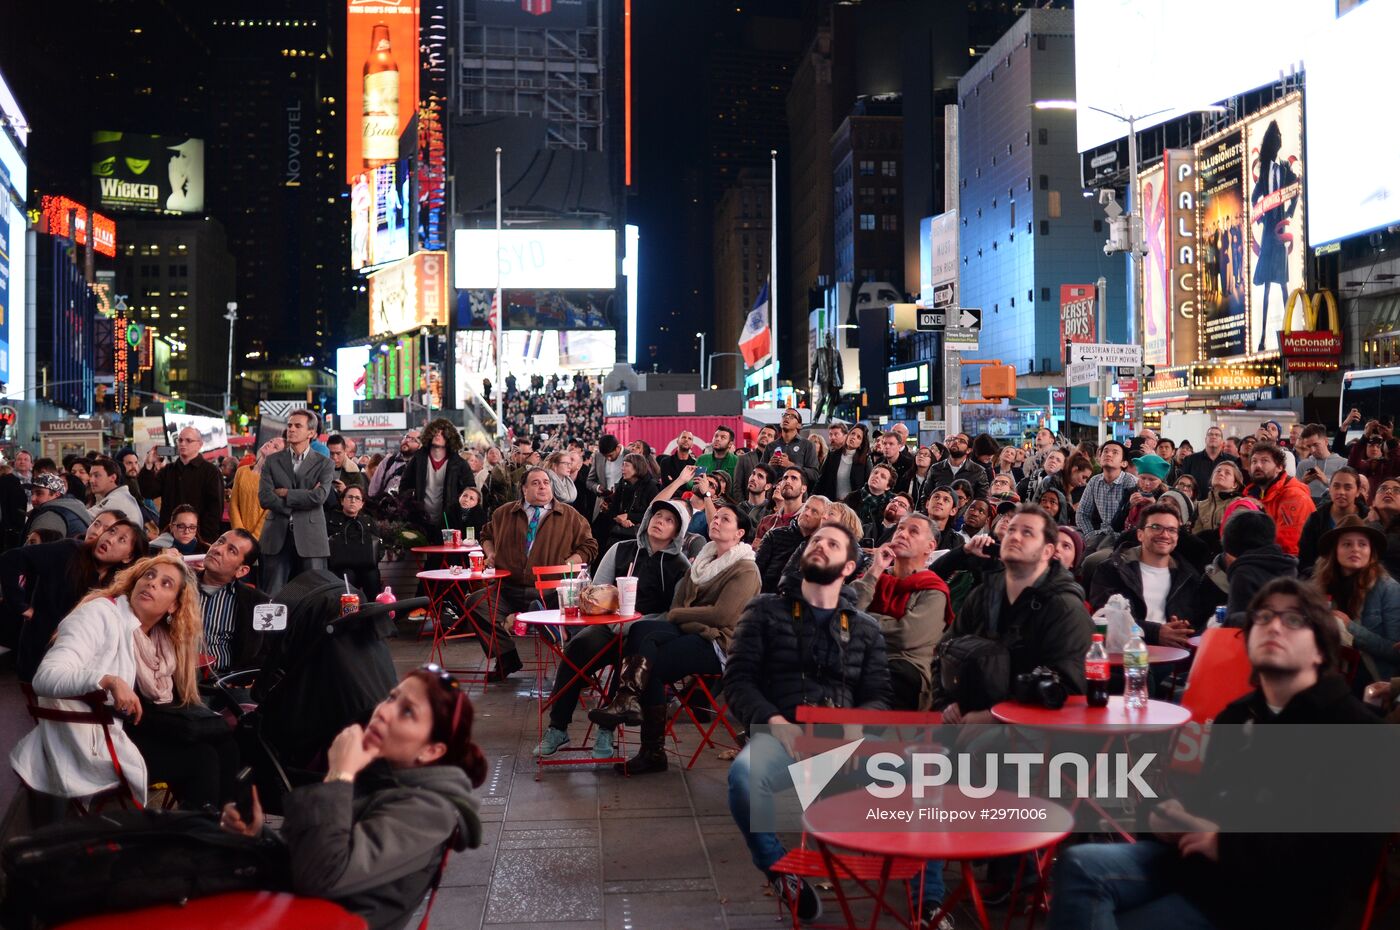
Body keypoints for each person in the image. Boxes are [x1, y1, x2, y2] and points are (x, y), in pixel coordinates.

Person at [1048, 578, 1381, 930]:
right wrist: (1162, 819)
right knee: (1079, 864)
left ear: (1320, 649)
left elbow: (1348, 861)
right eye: (1263, 618)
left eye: (1294, 620)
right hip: (1199, 867)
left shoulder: (1358, 730)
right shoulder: (1238, 715)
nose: (1274, 626)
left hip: (1275, 899)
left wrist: (1230, 846)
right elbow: (1202, 800)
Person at [220, 665, 486, 930]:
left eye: (407, 712)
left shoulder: (429, 812)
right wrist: (259, 835)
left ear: (431, 751)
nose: (383, 711)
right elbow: (312, 855)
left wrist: (340, 774)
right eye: (392, 697)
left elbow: (320, 874)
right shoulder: (381, 775)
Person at [723, 522, 891, 921]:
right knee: (743, 779)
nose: (819, 546)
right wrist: (773, 720)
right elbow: (738, 680)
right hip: (784, 736)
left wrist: (860, 722)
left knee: (929, 776)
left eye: (832, 544)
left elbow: (881, 696)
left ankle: (930, 902)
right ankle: (782, 872)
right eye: (815, 540)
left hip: (847, 744)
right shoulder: (764, 609)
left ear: (849, 566)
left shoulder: (866, 628)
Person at [12, 553, 235, 813]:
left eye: (166, 583)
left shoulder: (160, 639)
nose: (152, 583)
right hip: (92, 737)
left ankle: (221, 831)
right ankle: (195, 842)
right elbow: (45, 677)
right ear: (135, 581)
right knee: (202, 758)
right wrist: (107, 680)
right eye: (149, 575)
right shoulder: (99, 614)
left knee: (225, 744)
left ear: (174, 606)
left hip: (126, 725)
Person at [589, 501, 761, 774]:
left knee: (652, 664)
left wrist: (682, 616)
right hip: (694, 631)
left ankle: (644, 737)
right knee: (639, 629)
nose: (716, 521)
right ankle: (628, 704)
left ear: (739, 533)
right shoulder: (704, 559)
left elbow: (721, 615)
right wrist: (684, 615)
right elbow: (680, 602)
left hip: (719, 643)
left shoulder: (745, 569)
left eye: (725, 519)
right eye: (715, 517)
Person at [533, 501, 692, 761]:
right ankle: (557, 727)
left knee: (628, 661)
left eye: (669, 520)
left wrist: (634, 624)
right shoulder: (621, 550)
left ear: (677, 531)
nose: (659, 521)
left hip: (644, 630)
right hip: (608, 624)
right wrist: (613, 618)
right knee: (577, 648)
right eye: (657, 515)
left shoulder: (680, 565)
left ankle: (606, 728)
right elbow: (596, 592)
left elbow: (673, 612)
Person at [935, 505, 1093, 721]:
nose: (1015, 537)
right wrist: (947, 704)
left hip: (1030, 731)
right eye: (1011, 530)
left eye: (1027, 532)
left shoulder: (1065, 608)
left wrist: (992, 718)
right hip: (963, 714)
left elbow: (1069, 690)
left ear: (1047, 551)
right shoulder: (983, 594)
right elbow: (944, 652)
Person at [479, 468, 599, 681]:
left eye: (546, 482)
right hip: (508, 588)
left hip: (551, 593)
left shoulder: (570, 516)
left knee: (579, 617)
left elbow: (590, 546)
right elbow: (486, 535)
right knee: (476, 604)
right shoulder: (503, 513)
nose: (543, 486)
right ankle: (506, 657)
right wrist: (491, 553)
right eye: (535, 483)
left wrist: (567, 564)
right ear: (524, 489)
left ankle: (577, 670)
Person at [0, 518, 149, 680]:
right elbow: (11, 559)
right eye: (111, 531)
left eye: (122, 540)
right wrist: (20, 605)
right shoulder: (70, 551)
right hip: (39, 652)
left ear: (128, 557)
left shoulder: (118, 584)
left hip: (80, 662)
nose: (109, 539)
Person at [851, 513, 951, 710]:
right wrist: (875, 570)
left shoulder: (934, 590)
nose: (903, 534)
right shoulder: (873, 577)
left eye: (913, 532)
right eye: (900, 529)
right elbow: (844, 617)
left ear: (930, 547)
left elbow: (905, 635)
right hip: (859, 657)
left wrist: (861, 622)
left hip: (904, 669)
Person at [1089, 503, 1198, 648]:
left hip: (1175, 656)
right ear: (1140, 534)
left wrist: (1184, 626)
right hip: (1127, 655)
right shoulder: (1112, 570)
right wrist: (1155, 632)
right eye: (1156, 527)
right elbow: (1107, 618)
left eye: (1172, 530)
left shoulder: (1189, 576)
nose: (1164, 535)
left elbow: (1198, 622)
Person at [1312, 515, 1400, 682]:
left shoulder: (1389, 588)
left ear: (1370, 551)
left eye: (1362, 544)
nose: (1355, 549)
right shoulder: (1320, 585)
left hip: (1372, 679)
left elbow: (1395, 652)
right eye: (1347, 544)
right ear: (1335, 550)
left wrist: (1350, 628)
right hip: (1328, 673)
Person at [258, 410, 335, 595]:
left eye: (297, 426)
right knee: (271, 595)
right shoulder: (272, 461)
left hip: (311, 537)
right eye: (290, 425)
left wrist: (286, 493)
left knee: (315, 594)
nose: (291, 429)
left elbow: (319, 497)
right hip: (276, 535)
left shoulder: (325, 463)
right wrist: (304, 496)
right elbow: (265, 497)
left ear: (311, 433)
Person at [197, 528, 269, 675]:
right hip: (173, 678)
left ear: (242, 571)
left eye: (231, 550)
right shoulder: (178, 586)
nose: (217, 549)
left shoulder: (258, 603)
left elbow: (265, 654)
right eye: (220, 541)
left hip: (225, 682)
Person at [139, 427, 224, 543]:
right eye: (180, 440)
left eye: (188, 440)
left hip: (198, 538)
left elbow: (215, 510)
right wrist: (148, 465)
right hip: (168, 537)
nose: (183, 444)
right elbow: (148, 492)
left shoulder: (211, 471)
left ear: (199, 444)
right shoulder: (168, 470)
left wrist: (205, 540)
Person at [399, 419, 471, 535]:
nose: (438, 434)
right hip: (420, 522)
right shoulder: (418, 459)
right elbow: (404, 486)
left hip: (449, 523)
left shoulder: (460, 464)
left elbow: (470, 489)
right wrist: (410, 506)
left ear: (450, 438)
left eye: (443, 433)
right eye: (435, 432)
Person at [1245, 443, 1314, 557]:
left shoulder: (1294, 497)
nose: (1258, 465)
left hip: (1290, 565)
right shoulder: (1251, 495)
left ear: (1279, 467)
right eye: (1254, 461)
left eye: (1264, 461)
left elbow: (1288, 548)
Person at [1297, 466, 1366, 574]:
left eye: (1347, 488)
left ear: (1357, 491)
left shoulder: (1368, 519)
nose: (1341, 492)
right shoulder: (1316, 519)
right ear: (1330, 489)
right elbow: (1305, 561)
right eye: (1336, 486)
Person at [754, 495, 829, 594]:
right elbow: (756, 570)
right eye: (806, 508)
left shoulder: (822, 547)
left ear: (823, 519)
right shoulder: (774, 535)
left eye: (814, 512)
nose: (806, 513)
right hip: (766, 596)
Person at [1076, 440, 1137, 548]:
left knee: (1090, 562)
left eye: (1115, 452)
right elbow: (1082, 513)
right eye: (1105, 451)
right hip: (1101, 535)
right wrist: (1090, 535)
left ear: (1124, 463)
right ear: (1099, 458)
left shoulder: (1130, 481)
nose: (1108, 454)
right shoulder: (1094, 481)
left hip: (1124, 538)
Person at [327, 486, 383, 598]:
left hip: (366, 565)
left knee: (372, 575)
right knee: (347, 575)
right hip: (341, 566)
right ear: (342, 501)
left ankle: (373, 612)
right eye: (350, 497)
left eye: (357, 498)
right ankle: (349, 613)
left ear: (362, 504)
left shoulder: (368, 521)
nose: (353, 500)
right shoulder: (331, 518)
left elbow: (380, 546)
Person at [600, 453, 660, 549]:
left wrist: (629, 516)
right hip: (619, 532)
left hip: (641, 534)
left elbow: (654, 514)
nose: (622, 468)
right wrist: (619, 519)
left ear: (637, 467)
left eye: (626, 465)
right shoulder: (622, 484)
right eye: (622, 465)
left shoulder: (651, 487)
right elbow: (614, 509)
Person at [23, 472, 93, 539]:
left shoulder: (51, 516)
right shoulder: (70, 507)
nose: (33, 498)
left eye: (39, 493)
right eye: (32, 493)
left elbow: (36, 549)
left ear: (57, 494)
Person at [816, 421, 871, 502]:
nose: (854, 437)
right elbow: (821, 481)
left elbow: (868, 486)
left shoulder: (865, 461)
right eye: (852, 433)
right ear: (848, 435)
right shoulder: (832, 455)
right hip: (832, 503)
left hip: (854, 507)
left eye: (858, 437)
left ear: (861, 444)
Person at [762, 408, 819, 484]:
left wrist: (791, 465)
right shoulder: (770, 446)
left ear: (799, 425)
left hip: (798, 493)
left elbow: (814, 475)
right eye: (785, 415)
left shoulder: (807, 445)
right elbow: (760, 472)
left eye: (792, 416)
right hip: (773, 492)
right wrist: (769, 467)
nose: (787, 417)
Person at [1190, 460, 1245, 539]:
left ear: (1235, 484)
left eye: (1227, 473)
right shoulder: (1199, 506)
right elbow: (1196, 537)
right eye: (1218, 471)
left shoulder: (1239, 503)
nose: (1221, 473)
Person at [1180, 427, 1237, 501]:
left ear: (1222, 441)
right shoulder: (1190, 459)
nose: (1213, 437)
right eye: (1210, 434)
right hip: (1195, 504)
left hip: (1224, 504)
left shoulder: (1232, 461)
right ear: (1205, 439)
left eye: (1217, 435)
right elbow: (1183, 482)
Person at [843, 463, 897, 540]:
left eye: (883, 477)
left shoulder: (893, 502)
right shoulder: (852, 497)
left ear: (888, 487)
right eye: (875, 472)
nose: (877, 476)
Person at [928, 432, 990, 500]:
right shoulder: (936, 468)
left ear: (968, 450)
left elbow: (981, 500)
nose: (956, 442)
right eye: (954, 439)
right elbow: (926, 497)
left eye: (962, 441)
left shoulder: (978, 471)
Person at [755, 466, 808, 544]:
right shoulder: (766, 521)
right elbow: (755, 551)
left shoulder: (808, 520)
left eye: (794, 478)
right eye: (785, 478)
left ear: (803, 488)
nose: (787, 481)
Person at [1295, 422, 1347, 502]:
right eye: (1309, 446)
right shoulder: (1302, 464)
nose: (1312, 450)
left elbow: (1346, 491)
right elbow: (1294, 493)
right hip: (1308, 508)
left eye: (1316, 445)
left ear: (1326, 441)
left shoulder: (1343, 463)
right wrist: (1303, 482)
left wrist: (1326, 480)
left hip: (1332, 507)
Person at [85, 455, 143, 526]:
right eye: (90, 476)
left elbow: (84, 517)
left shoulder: (118, 499)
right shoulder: (120, 495)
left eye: (97, 475)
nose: (91, 480)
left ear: (112, 478)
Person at [366, 429, 422, 499]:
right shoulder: (388, 462)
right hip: (386, 507)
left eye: (413, 440)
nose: (407, 440)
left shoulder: (422, 465)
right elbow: (373, 491)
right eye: (406, 437)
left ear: (420, 446)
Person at [325, 434, 368, 509]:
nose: (335, 457)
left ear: (344, 451)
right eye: (331, 453)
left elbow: (361, 497)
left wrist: (346, 490)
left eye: (338, 453)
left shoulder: (353, 471)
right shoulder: (319, 469)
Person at [732, 425, 777, 497]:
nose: (765, 436)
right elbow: (737, 487)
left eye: (770, 435)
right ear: (758, 436)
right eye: (763, 433)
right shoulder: (743, 458)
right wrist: (743, 506)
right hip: (748, 505)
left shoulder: (777, 460)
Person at [925, 486, 967, 551]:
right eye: (936, 497)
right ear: (927, 504)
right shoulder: (911, 528)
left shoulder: (957, 542)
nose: (939, 502)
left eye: (946, 500)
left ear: (953, 511)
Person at [898, 445, 940, 511]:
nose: (921, 456)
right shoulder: (907, 477)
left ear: (931, 460)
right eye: (919, 454)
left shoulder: (934, 480)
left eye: (926, 454)